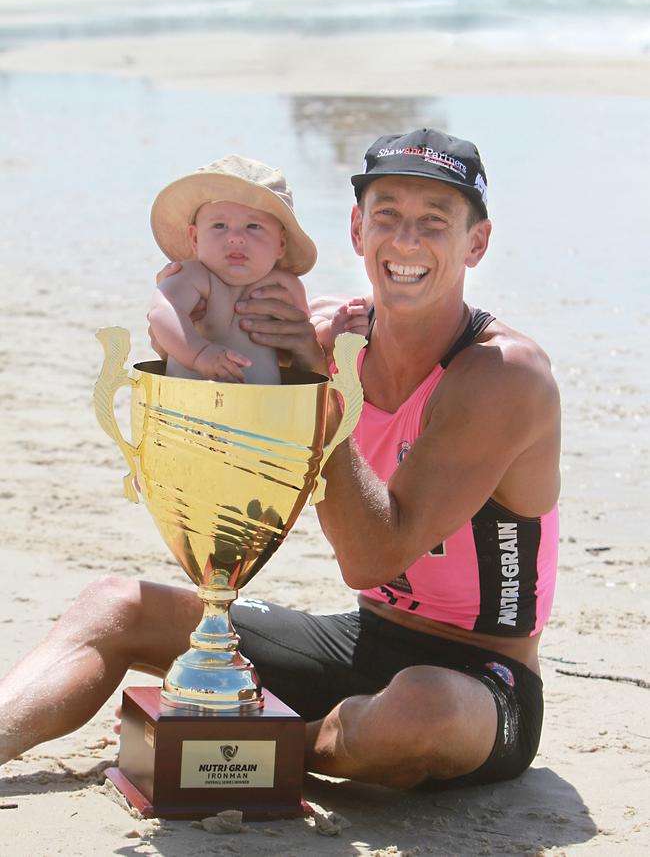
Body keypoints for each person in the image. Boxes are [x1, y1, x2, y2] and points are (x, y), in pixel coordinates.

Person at [0, 128, 560, 791]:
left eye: (434, 223)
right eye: (388, 217)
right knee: (117, 603)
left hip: (480, 682)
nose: (406, 240)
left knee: (419, 708)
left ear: (476, 243)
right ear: (357, 229)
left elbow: (373, 556)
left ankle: (238, 749)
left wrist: (314, 385)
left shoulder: (503, 374)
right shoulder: (317, 329)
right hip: (364, 638)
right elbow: (218, 430)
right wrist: (195, 317)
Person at [147, 154, 316, 384]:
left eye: (253, 226)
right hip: (192, 402)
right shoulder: (193, 276)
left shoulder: (286, 286)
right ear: (195, 238)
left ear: (281, 244)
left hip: (267, 409)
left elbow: (298, 338)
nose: (236, 238)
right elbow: (162, 312)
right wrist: (199, 354)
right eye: (220, 225)